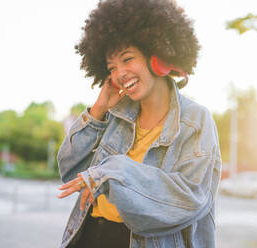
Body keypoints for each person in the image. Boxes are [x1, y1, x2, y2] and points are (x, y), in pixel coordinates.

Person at [57, 0, 222, 247]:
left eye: (127, 59)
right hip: (91, 234)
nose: (119, 74)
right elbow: (69, 171)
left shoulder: (195, 120)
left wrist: (110, 171)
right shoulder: (114, 114)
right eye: (111, 67)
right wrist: (99, 109)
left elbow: (188, 198)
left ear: (157, 55)